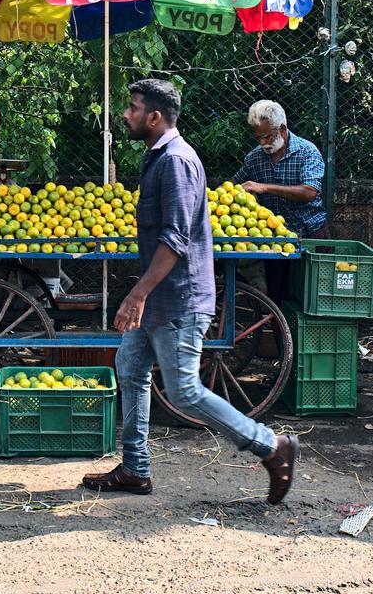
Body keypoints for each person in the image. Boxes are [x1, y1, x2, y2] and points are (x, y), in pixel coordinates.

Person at [82, 79, 298, 504]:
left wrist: (136, 295)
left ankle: (270, 446)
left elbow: (175, 240)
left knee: (183, 391)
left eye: (132, 107)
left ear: (154, 117)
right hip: (160, 297)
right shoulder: (158, 156)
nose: (125, 114)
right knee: (130, 368)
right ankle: (135, 468)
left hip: (176, 299)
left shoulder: (177, 162)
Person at [233, 99, 329, 303]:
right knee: (277, 296)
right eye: (258, 137)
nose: (262, 143)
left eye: (267, 136)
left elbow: (310, 192)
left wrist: (265, 187)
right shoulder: (255, 158)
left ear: (282, 128)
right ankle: (280, 334)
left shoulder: (307, 152)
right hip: (275, 240)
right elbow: (234, 186)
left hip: (309, 234)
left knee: (311, 298)